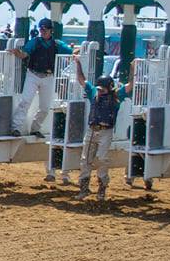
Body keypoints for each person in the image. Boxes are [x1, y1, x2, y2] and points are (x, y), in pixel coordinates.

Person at [71, 59, 132, 202]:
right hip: (92, 130)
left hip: (106, 131)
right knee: (85, 159)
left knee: (102, 159)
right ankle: (84, 188)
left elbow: (130, 86)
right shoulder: (94, 92)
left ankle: (102, 188)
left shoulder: (117, 96)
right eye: (99, 89)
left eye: (102, 89)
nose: (99, 91)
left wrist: (133, 69)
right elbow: (81, 80)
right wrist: (78, 64)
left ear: (110, 88)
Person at [9, 18, 72, 138]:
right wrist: (18, 53)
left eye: (45, 29)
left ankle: (35, 128)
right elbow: (24, 54)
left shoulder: (57, 43)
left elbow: (70, 52)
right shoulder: (35, 41)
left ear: (51, 30)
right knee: (25, 101)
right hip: (33, 74)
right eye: (41, 29)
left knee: (45, 107)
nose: (43, 32)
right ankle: (15, 128)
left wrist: (76, 52)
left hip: (48, 77)